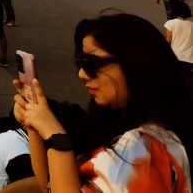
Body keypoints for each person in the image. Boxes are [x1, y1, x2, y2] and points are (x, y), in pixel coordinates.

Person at [12, 12, 193, 193]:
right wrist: (35, 130)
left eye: (91, 63)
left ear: (135, 63)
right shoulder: (136, 133)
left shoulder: (143, 150)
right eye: (81, 63)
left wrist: (56, 138)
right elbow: (50, 186)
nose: (82, 74)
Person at [164, 0, 193, 74]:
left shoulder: (170, 23)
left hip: (176, 56)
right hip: (190, 58)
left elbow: (168, 41)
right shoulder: (191, 25)